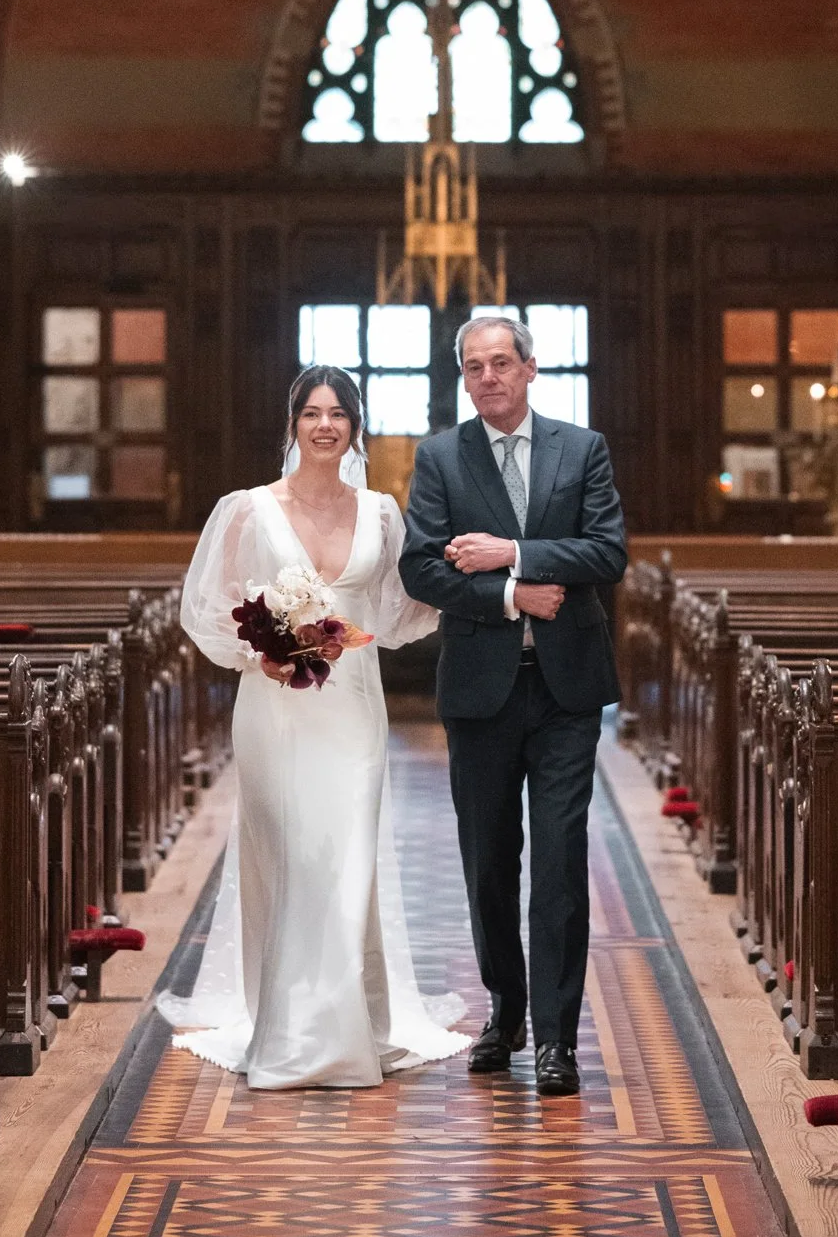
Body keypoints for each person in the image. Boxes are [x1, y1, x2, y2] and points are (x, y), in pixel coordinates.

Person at [157, 365, 469, 1089]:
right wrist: (257, 651)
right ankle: (286, 1030)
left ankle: (343, 1027)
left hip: (352, 710)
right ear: (292, 424)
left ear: (354, 427)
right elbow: (209, 608)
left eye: (338, 414)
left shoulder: (381, 513)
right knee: (291, 857)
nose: (325, 425)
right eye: (311, 413)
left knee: (346, 858)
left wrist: (459, 575)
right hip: (275, 713)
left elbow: (396, 614)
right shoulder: (247, 509)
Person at [399, 316, 627, 1098]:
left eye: (501, 363)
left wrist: (510, 552)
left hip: (565, 689)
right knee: (488, 862)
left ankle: (559, 1039)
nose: (488, 377)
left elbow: (608, 552)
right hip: (480, 690)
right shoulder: (440, 456)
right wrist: (508, 594)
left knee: (560, 863)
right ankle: (506, 1011)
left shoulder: (580, 448)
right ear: (462, 378)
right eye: (473, 367)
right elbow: (421, 569)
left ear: (530, 369)